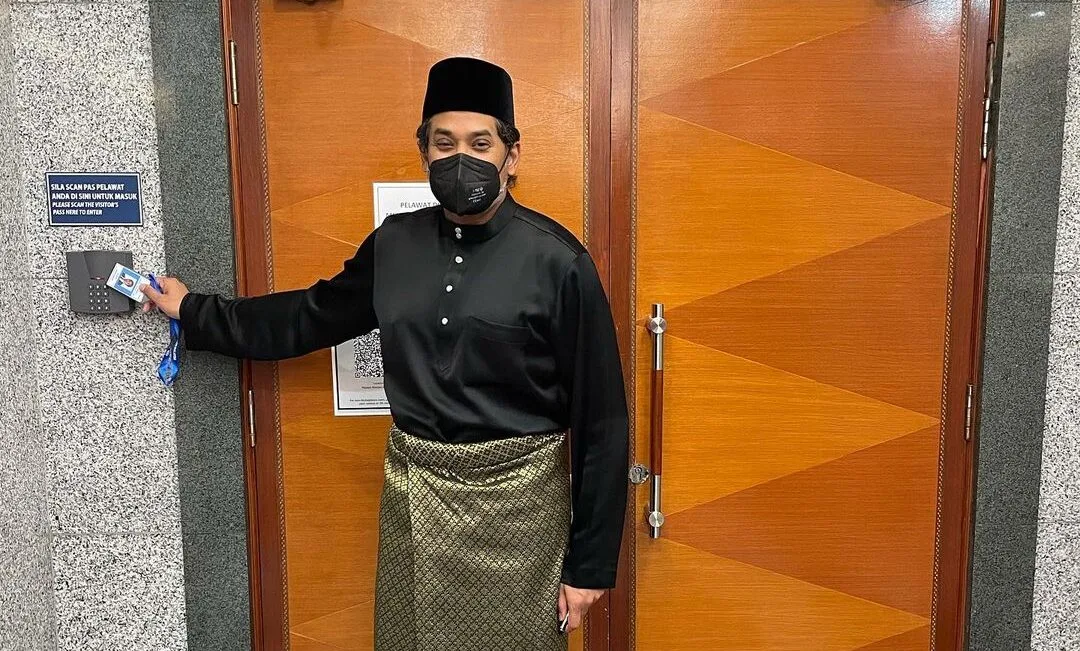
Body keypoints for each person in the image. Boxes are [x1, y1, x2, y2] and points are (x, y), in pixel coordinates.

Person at [143, 56, 629, 651]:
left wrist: (590, 565)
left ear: (512, 155)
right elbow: (310, 316)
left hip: (522, 515)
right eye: (444, 143)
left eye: (480, 143)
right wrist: (195, 312)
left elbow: (603, 420)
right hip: (416, 499)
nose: (461, 158)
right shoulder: (395, 245)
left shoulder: (559, 262)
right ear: (423, 152)